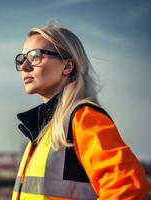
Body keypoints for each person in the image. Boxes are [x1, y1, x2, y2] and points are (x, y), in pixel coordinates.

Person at [12, 24, 150, 200]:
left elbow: (128, 188)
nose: (24, 66)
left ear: (68, 65)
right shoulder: (42, 131)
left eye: (35, 56)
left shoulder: (84, 118)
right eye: (22, 58)